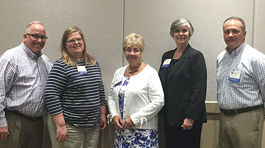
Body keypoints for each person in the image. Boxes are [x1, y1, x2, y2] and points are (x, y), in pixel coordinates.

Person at [44, 26, 107, 148]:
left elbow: (100, 89)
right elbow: (50, 94)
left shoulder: (93, 63)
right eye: (71, 40)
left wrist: (102, 114)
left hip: (93, 126)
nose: (76, 42)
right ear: (65, 44)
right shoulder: (61, 65)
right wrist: (61, 125)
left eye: (79, 39)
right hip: (70, 126)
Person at [0, 21, 52, 148]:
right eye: (35, 36)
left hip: (37, 124)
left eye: (42, 37)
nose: (39, 40)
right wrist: (1, 122)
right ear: (25, 36)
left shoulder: (45, 61)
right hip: (15, 122)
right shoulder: (11, 58)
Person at [107, 33, 164, 147]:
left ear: (141, 52)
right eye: (128, 50)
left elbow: (159, 101)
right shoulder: (119, 72)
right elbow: (111, 97)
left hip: (143, 133)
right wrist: (113, 115)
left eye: (136, 50)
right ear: (124, 52)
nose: (132, 53)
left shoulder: (150, 73)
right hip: (121, 131)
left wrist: (135, 118)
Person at [158, 18, 207, 148]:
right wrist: (162, 114)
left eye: (184, 30)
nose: (181, 33)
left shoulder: (196, 56)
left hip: (187, 120)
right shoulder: (166, 56)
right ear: (172, 34)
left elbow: (199, 88)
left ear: (189, 33)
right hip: (169, 118)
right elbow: (161, 85)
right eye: (177, 30)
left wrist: (190, 117)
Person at [217, 16, 265, 148]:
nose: (230, 35)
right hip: (224, 117)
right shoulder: (221, 58)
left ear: (244, 34)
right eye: (227, 32)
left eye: (235, 31)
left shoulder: (256, 59)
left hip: (247, 118)